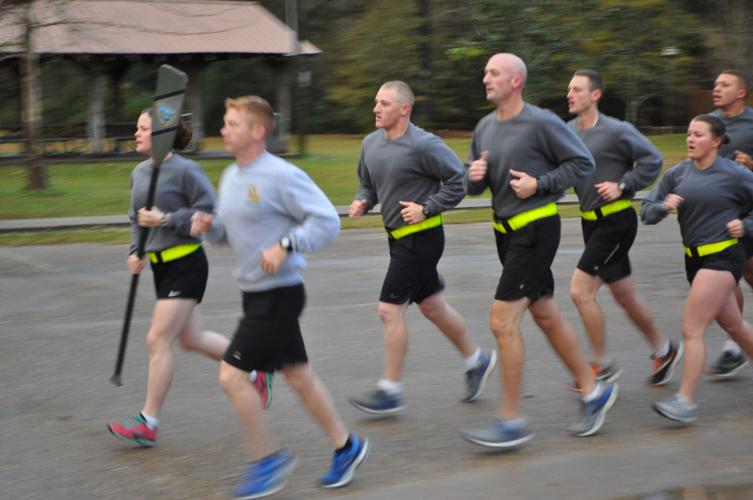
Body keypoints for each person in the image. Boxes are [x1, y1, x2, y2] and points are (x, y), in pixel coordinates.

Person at [191, 96, 369, 498]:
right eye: (225, 122)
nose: (223, 130)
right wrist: (209, 226)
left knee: (232, 375)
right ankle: (347, 446)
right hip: (255, 294)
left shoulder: (281, 175)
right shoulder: (231, 176)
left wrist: (287, 244)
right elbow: (227, 234)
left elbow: (326, 221)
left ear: (257, 131)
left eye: (232, 123)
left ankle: (266, 460)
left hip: (280, 294)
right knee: (298, 375)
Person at [460, 53, 618, 450]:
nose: (485, 79)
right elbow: (476, 185)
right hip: (504, 232)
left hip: (536, 229)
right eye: (485, 73)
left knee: (502, 322)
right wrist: (473, 177)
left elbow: (582, 162)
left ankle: (511, 420)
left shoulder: (541, 121)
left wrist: (540, 183)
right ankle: (593, 391)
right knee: (545, 314)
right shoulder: (483, 127)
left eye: (493, 73)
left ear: (515, 81)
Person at [107, 110, 271, 448]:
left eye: (143, 128)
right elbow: (136, 218)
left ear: (162, 135)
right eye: (135, 127)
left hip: (187, 265)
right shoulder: (139, 173)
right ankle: (255, 369)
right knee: (192, 339)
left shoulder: (185, 171)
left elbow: (209, 215)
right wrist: (135, 251)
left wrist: (166, 219)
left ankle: (148, 422)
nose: (135, 133)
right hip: (159, 266)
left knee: (157, 340)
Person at [348, 80, 497, 415]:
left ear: (404, 109)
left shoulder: (424, 145)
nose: (376, 108)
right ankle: (477, 359)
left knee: (389, 310)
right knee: (432, 306)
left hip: (423, 237)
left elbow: (458, 180)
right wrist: (362, 201)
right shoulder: (371, 144)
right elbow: (367, 183)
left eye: (384, 103)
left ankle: (390, 389)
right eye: (376, 102)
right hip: (396, 236)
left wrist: (426, 208)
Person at [566, 69, 683, 387]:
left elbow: (652, 160)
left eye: (577, 89)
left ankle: (601, 365)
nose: (570, 94)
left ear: (595, 95)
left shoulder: (618, 130)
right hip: (589, 222)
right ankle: (664, 348)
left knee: (580, 292)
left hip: (616, 221)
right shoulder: (567, 131)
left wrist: (623, 184)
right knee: (624, 295)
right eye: (569, 89)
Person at [641, 114, 753, 423]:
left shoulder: (735, 175)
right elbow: (646, 211)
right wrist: (664, 206)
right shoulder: (676, 174)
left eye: (699, 134)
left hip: (723, 257)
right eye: (689, 133)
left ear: (716, 141)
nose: (690, 139)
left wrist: (745, 225)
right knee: (734, 326)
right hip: (694, 259)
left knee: (692, 328)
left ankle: (685, 402)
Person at [707, 69, 753, 378]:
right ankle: (734, 347)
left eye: (724, 85)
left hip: (749, 213)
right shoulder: (709, 123)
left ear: (741, 92)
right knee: (727, 278)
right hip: (719, 215)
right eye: (715, 84)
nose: (716, 88)